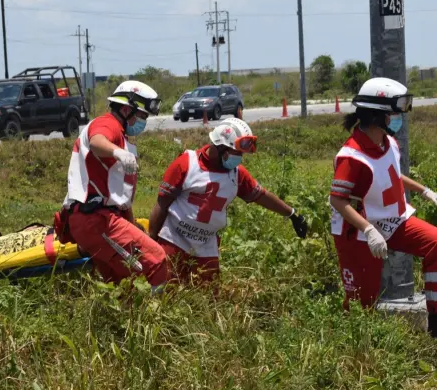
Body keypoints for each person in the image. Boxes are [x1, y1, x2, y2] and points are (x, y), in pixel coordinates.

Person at [329, 76, 437, 335]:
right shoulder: (352, 156)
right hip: (358, 232)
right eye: (394, 114)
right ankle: (351, 351)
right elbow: (337, 199)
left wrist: (423, 190)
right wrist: (368, 230)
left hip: (394, 220)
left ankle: (435, 321)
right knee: (360, 303)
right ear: (378, 117)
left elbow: (390, 175)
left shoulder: (388, 143)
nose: (398, 119)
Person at [148, 118, 307, 284]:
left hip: (205, 245)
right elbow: (162, 204)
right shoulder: (187, 164)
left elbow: (261, 196)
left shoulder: (236, 174)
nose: (239, 158)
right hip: (175, 240)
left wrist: (292, 214)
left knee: (208, 300)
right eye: (236, 153)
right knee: (165, 291)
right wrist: (150, 243)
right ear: (220, 147)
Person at [59, 80, 169, 292]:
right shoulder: (108, 124)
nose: (143, 122)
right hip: (96, 219)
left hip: (100, 219)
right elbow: (97, 142)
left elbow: (121, 197)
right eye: (142, 115)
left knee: (123, 286)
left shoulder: (123, 138)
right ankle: (158, 316)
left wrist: (132, 225)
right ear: (127, 109)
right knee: (156, 260)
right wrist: (118, 152)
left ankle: (125, 322)